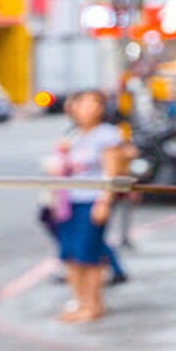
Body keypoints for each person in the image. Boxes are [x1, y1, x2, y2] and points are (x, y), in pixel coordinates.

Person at [53, 90, 128, 322]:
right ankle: (79, 301)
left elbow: (111, 172)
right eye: (83, 104)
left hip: (91, 200)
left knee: (89, 254)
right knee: (71, 254)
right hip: (69, 201)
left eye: (94, 104)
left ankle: (93, 303)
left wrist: (104, 201)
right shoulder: (74, 135)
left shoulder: (107, 135)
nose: (89, 109)